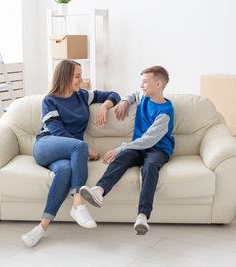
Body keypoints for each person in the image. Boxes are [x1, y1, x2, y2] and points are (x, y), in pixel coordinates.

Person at [22, 60, 121, 247]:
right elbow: (56, 131)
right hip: (46, 146)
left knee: (66, 170)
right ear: (65, 76)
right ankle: (78, 202)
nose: (81, 80)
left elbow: (113, 94)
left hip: (67, 155)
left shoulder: (82, 96)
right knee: (80, 147)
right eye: (77, 76)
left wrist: (104, 106)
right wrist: (85, 149)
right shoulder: (49, 100)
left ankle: (41, 227)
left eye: (81, 76)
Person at [79, 66, 174, 235]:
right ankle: (99, 191)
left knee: (150, 167)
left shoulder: (166, 111)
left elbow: (149, 140)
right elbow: (133, 95)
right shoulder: (143, 97)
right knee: (122, 158)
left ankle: (142, 216)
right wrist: (125, 101)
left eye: (145, 82)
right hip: (138, 148)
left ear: (158, 84)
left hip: (158, 149)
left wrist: (120, 147)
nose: (141, 85)